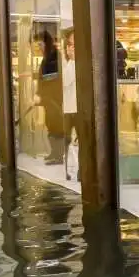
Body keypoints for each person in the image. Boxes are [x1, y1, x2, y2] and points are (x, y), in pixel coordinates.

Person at [35, 30, 63, 164]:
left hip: (54, 100)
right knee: (51, 126)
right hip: (48, 99)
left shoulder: (55, 56)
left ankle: (58, 156)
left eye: (40, 44)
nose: (39, 48)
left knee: (56, 127)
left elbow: (55, 78)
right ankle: (54, 153)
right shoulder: (48, 57)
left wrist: (42, 92)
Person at [62, 29, 79, 180]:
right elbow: (65, 82)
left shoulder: (78, 64)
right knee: (66, 142)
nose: (70, 48)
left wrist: (74, 60)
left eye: (74, 45)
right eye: (69, 45)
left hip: (79, 109)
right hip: (68, 109)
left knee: (82, 143)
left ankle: (81, 171)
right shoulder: (67, 65)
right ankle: (67, 171)